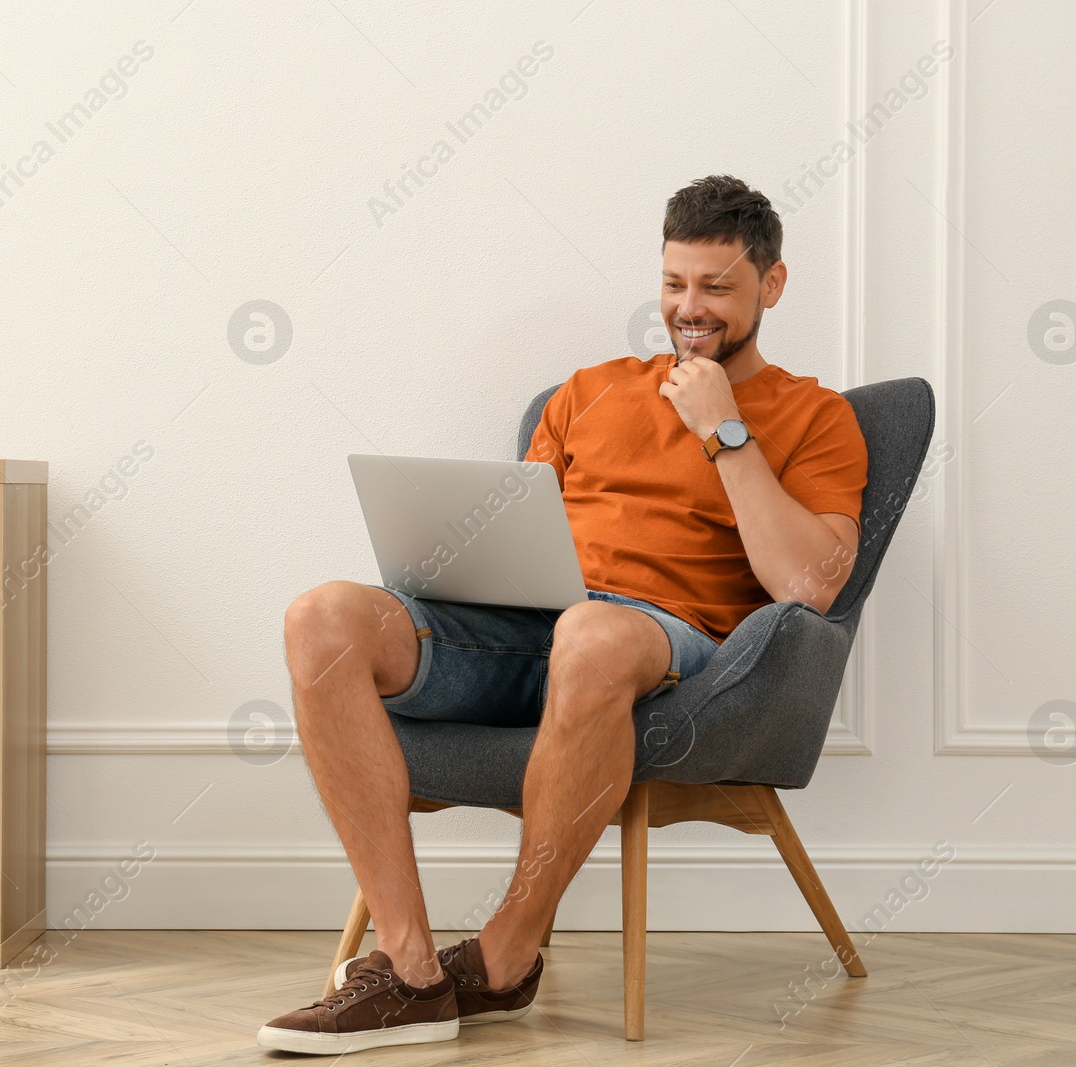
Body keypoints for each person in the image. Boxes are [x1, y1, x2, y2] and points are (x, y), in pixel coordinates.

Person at [258, 174, 869, 1055]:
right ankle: (410, 972)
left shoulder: (817, 417)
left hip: (670, 646)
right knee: (319, 617)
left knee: (590, 632)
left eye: (716, 288)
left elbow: (807, 585)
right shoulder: (587, 391)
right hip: (530, 623)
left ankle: (506, 956)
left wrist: (725, 430)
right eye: (673, 284)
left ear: (771, 285)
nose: (688, 308)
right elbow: (520, 530)